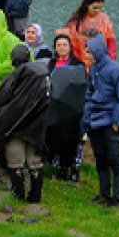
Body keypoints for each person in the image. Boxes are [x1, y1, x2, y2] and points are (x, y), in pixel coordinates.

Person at [0, 45, 51, 203]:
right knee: (34, 162)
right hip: (36, 125)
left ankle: (19, 197)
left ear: (14, 58)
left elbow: (2, 98)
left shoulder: (15, 76)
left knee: (16, 161)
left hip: (14, 125)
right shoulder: (43, 74)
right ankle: (35, 198)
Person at [82, 34, 119, 208]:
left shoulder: (117, 70)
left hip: (110, 121)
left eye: (90, 52)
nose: (88, 55)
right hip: (95, 121)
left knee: (115, 160)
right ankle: (104, 194)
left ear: (98, 51)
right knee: (100, 158)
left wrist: (117, 120)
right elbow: (90, 92)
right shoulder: (93, 69)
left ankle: (118, 199)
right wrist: (87, 114)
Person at [46, 31, 86, 183]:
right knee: (57, 138)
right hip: (56, 107)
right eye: (59, 45)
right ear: (55, 48)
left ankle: (74, 169)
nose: (62, 48)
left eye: (65, 45)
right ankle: (60, 167)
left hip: (74, 107)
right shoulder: (51, 64)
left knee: (75, 140)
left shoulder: (78, 64)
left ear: (70, 47)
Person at [66, 0, 117, 66]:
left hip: (101, 61)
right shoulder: (76, 21)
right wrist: (77, 61)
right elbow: (71, 43)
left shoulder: (105, 19)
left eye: (100, 8)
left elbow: (111, 40)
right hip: (81, 61)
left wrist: (111, 58)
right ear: (87, 5)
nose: (98, 11)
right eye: (95, 8)